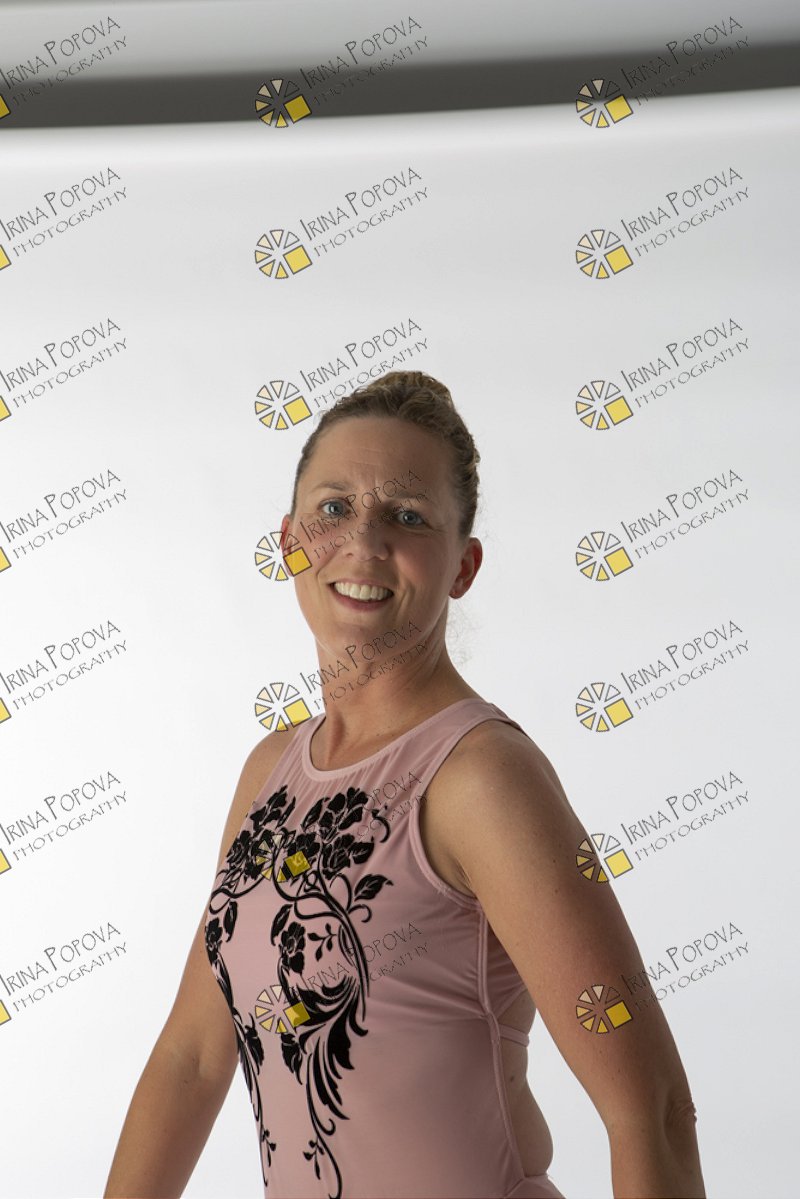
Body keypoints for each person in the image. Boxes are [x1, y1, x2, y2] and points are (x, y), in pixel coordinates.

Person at [104, 371, 706, 1199]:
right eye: (334, 507)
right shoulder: (269, 771)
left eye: (409, 516)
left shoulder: (481, 776)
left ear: (463, 565)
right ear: (289, 541)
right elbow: (193, 1057)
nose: (364, 541)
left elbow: (652, 1110)